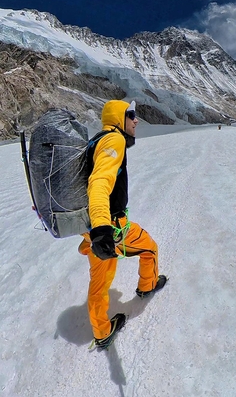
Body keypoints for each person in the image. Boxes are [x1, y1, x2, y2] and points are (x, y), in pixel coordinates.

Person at [78, 99, 167, 349]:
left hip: (89, 228)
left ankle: (102, 330)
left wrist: (95, 231)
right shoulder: (114, 140)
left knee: (100, 280)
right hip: (110, 227)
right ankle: (147, 287)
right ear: (119, 118)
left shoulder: (96, 140)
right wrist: (103, 229)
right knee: (149, 248)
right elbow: (99, 183)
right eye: (131, 115)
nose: (136, 120)